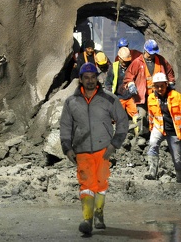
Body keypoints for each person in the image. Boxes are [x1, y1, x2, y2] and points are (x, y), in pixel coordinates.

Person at [60, 62, 129, 235]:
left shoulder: (109, 99)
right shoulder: (71, 102)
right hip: (81, 149)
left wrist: (114, 144)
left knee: (101, 183)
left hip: (103, 149)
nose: (90, 81)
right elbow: (65, 127)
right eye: (86, 78)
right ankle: (87, 219)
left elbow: (122, 121)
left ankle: (99, 213)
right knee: (86, 185)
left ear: (97, 79)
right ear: (81, 80)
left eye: (93, 77)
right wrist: (67, 148)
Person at [120, 39, 176, 136]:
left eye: (154, 53)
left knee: (160, 115)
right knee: (141, 117)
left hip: (158, 95)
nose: (153, 55)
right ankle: (141, 137)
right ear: (145, 51)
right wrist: (131, 84)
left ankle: (161, 135)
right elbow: (128, 76)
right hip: (143, 97)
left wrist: (171, 83)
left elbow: (169, 71)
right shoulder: (137, 62)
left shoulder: (161, 60)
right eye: (151, 53)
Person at [146, 72, 181, 182]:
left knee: (177, 158)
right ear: (154, 86)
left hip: (174, 130)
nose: (160, 88)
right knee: (152, 144)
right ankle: (152, 172)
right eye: (157, 86)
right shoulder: (151, 98)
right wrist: (151, 127)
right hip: (159, 127)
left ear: (167, 84)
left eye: (162, 85)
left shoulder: (176, 97)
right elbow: (151, 115)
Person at [105, 47, 139, 137]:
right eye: (124, 61)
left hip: (131, 96)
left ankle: (138, 135)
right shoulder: (114, 67)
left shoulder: (132, 66)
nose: (126, 63)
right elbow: (108, 83)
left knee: (136, 115)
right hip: (119, 97)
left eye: (128, 61)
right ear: (119, 58)